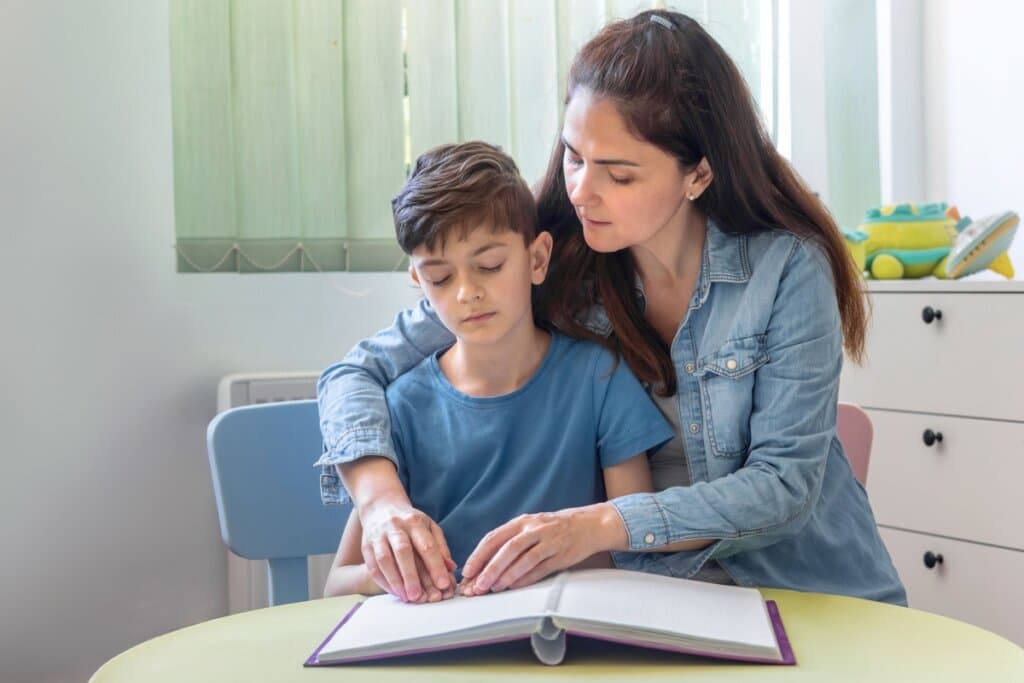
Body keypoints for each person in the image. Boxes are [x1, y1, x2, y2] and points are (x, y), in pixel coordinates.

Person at [317, 10, 907, 606]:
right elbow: (355, 374)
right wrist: (382, 503)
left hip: (809, 588)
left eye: (618, 175)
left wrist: (596, 525)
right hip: (663, 595)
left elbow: (783, 486)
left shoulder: (786, 270)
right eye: (574, 157)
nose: (580, 192)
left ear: (697, 173)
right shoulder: (553, 261)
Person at [322, 141, 674, 601]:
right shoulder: (403, 405)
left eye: (490, 265)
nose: (467, 292)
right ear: (419, 283)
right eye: (441, 278)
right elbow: (336, 585)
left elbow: (635, 549)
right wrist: (400, 573)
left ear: (537, 259)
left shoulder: (598, 378)